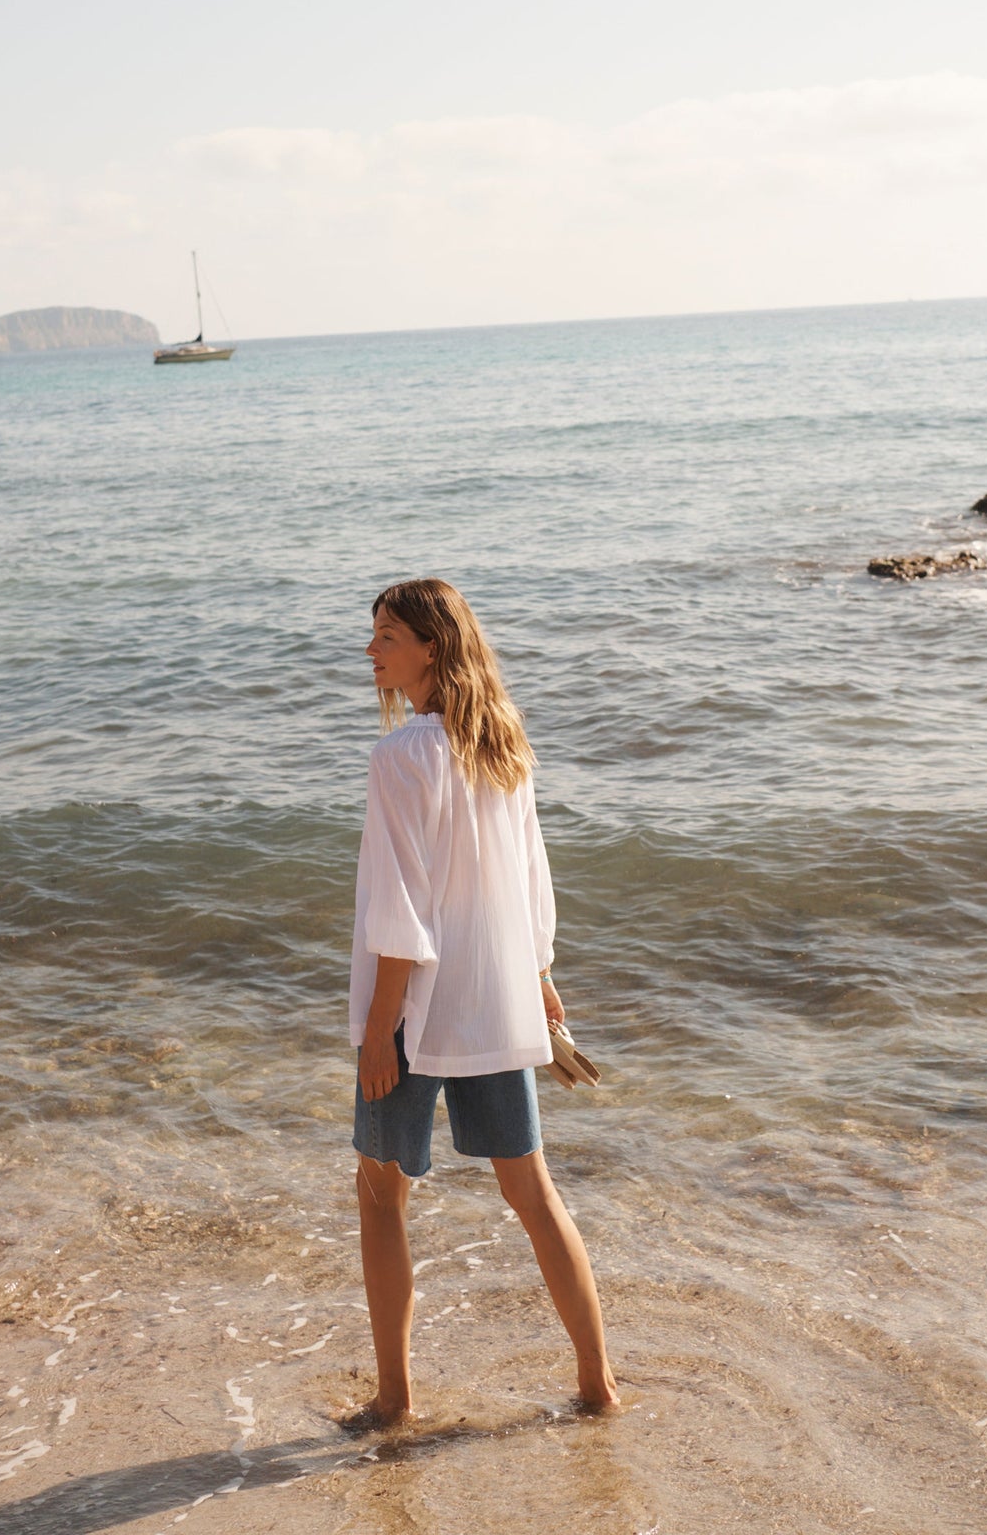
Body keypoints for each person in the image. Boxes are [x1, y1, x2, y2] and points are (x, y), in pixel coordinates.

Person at [346, 577, 618, 1426]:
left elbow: (403, 910)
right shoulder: (502, 744)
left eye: (387, 635)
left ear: (430, 646)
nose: (371, 651)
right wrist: (537, 981)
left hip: (418, 1013)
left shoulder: (400, 758)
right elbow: (532, 883)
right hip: (496, 1000)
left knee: (380, 1195)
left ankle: (394, 1401)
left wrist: (381, 1029)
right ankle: (597, 1387)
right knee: (533, 1195)